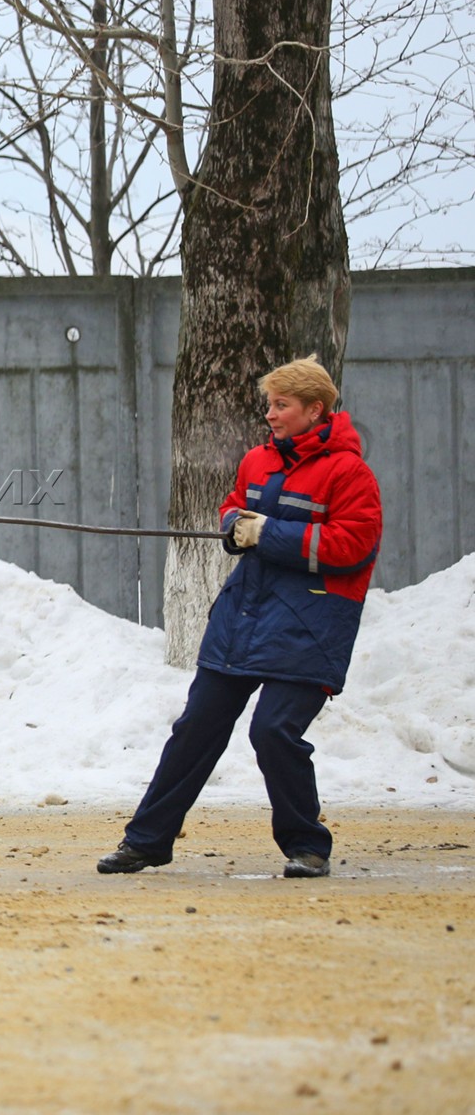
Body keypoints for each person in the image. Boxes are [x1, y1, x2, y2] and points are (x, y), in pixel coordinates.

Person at [98, 355, 382, 879]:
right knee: (195, 728)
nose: (270, 414)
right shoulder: (257, 461)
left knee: (273, 730)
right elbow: (233, 506)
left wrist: (266, 533)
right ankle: (146, 842)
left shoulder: (349, 473)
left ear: (315, 410)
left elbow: (353, 545)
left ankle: (307, 846)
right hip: (243, 616)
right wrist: (234, 524)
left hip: (310, 625)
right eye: (269, 404)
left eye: (282, 405)